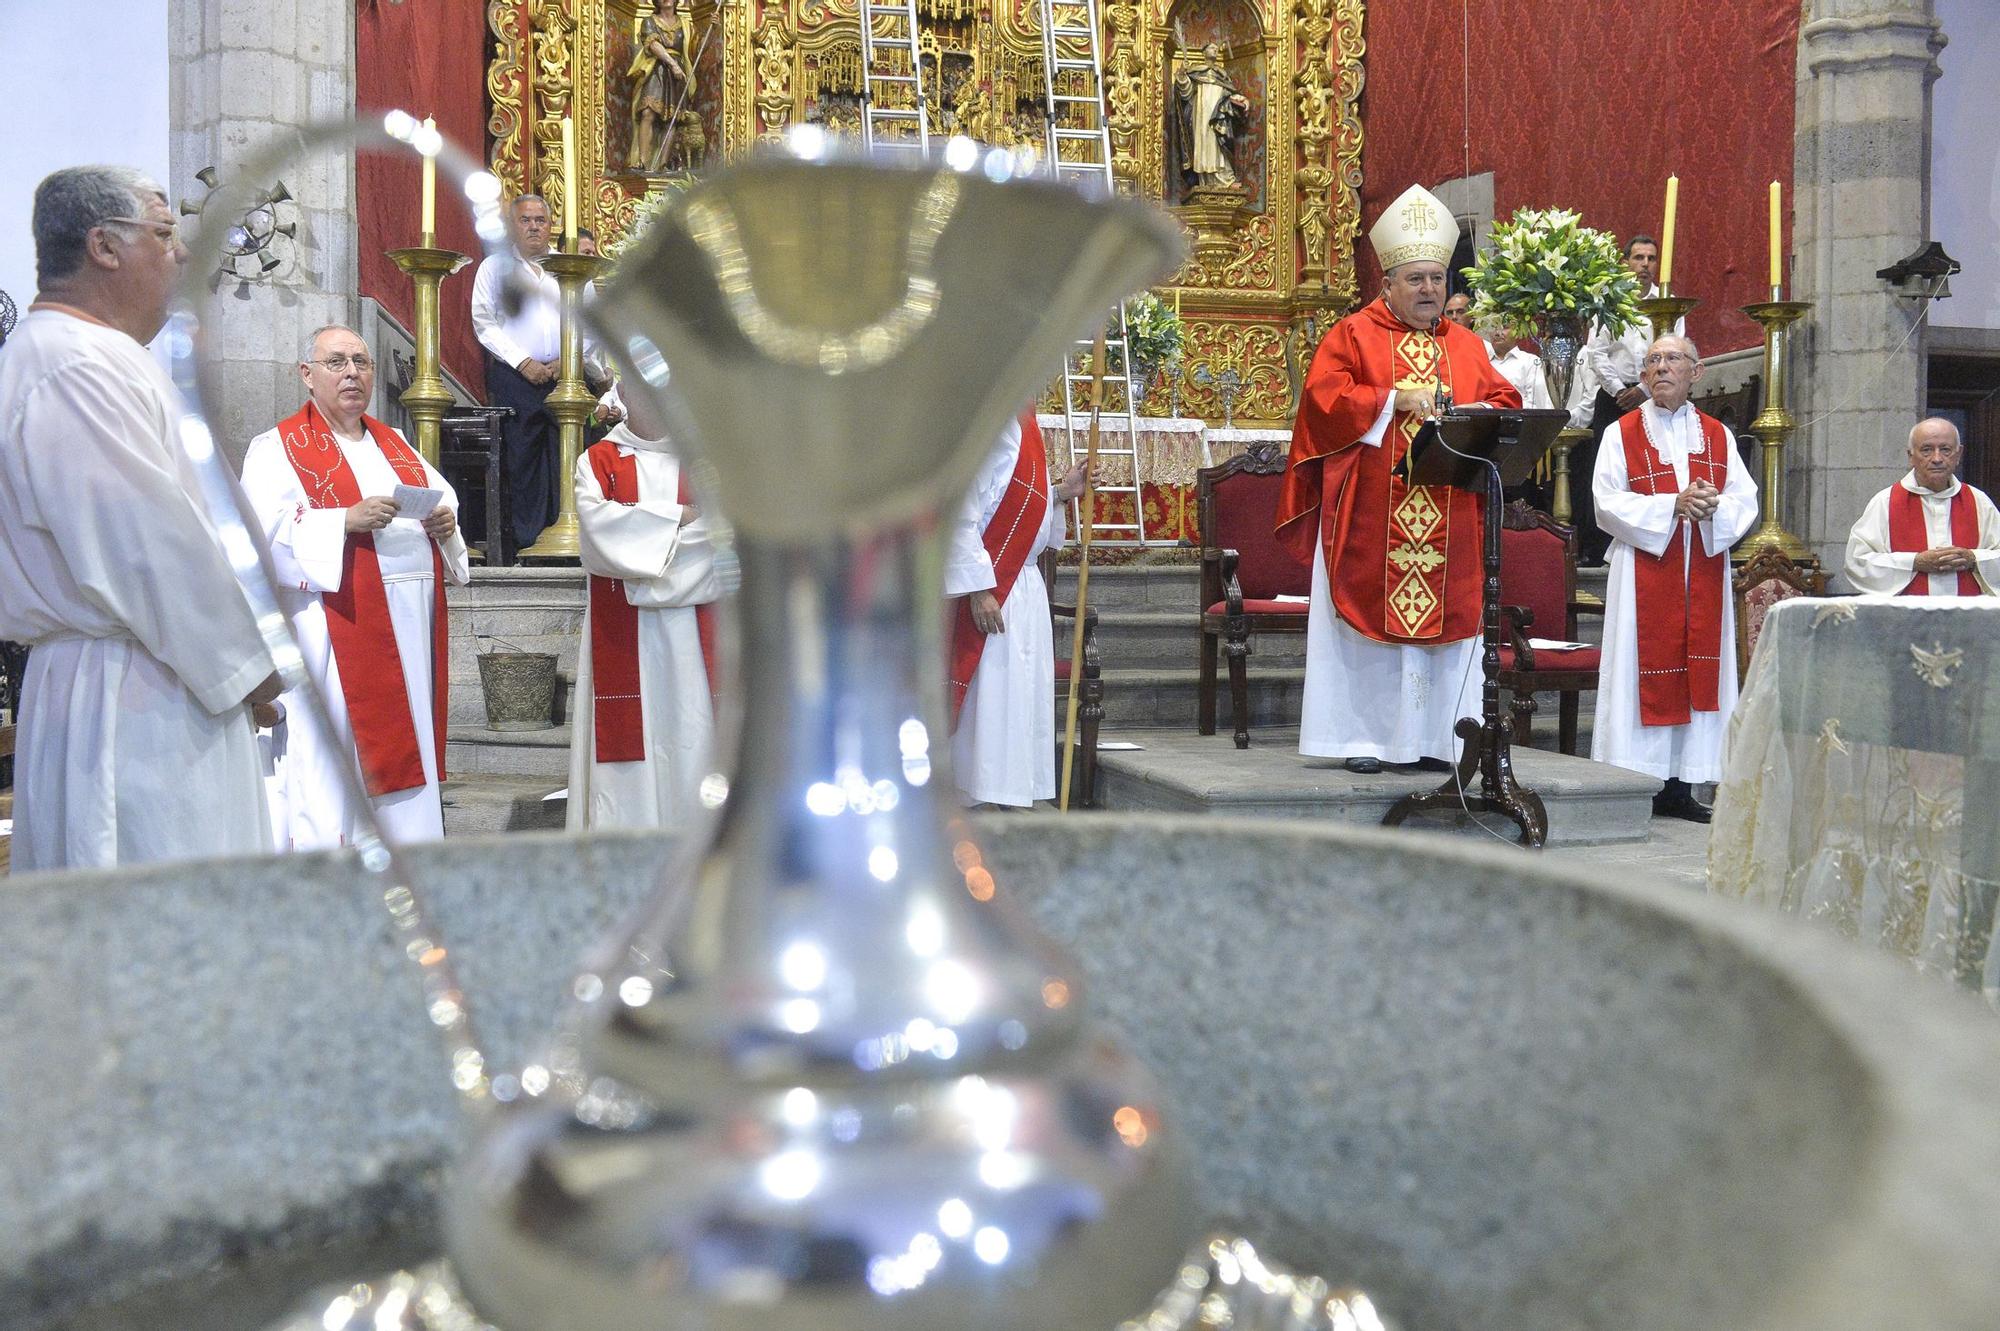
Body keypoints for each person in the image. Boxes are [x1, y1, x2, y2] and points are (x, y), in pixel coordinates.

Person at [0, 165, 279, 870]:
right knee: (166, 925)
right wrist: (251, 667)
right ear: (103, 245)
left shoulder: (97, 356)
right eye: (163, 233)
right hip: (132, 696)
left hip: (160, 671)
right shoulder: (72, 366)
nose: (180, 254)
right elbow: (147, 549)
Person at [1275, 183, 1523, 775]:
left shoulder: (1465, 343)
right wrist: (1392, 400)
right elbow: (1322, 400)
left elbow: (1503, 397)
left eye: (1438, 279)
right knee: (1366, 633)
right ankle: (1364, 739)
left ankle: (1443, 739)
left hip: (1450, 509)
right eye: (1416, 279)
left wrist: (1483, 414)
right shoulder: (1354, 334)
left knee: (1448, 628)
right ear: (1387, 284)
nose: (1430, 290)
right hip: (1372, 510)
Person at [239, 324, 469, 847]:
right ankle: (338, 869)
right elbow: (260, 533)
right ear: (307, 375)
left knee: (409, 747)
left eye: (361, 363)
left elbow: (442, 498)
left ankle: (412, 858)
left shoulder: (394, 443)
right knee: (339, 758)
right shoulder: (276, 448)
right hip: (336, 628)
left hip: (411, 624)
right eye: (336, 362)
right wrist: (342, 520)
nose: (351, 374)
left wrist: (446, 524)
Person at [1590, 334, 1757, 822]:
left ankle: (1682, 784)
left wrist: (1713, 508)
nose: (1661, 368)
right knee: (1640, 665)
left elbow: (1743, 499)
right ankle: (1636, 779)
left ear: (1696, 371)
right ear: (1642, 375)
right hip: (1646, 565)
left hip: (1701, 562)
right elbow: (1605, 502)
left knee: (1698, 672)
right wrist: (1672, 506)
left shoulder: (1718, 434)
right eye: (1653, 361)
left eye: (1673, 359)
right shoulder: (1619, 432)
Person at [567, 379, 721, 830]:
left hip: (694, 634)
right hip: (624, 634)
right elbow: (598, 536)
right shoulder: (596, 461)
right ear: (623, 394)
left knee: (694, 734)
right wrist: (679, 519)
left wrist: (642, 557)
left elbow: (724, 537)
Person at [945, 413, 1087, 808]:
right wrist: (979, 589)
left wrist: (1060, 493)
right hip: (993, 587)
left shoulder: (1024, 422)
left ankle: (1006, 794)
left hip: (1024, 587)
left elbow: (1015, 499)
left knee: (1018, 697)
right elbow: (961, 511)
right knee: (990, 697)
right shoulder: (991, 422)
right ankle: (976, 798)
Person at [469, 194, 610, 554]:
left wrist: (569, 357)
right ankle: (529, 540)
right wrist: (522, 361)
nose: (534, 226)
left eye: (540, 220)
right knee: (524, 455)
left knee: (568, 452)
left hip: (567, 374)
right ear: (513, 226)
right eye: (526, 220)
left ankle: (571, 534)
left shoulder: (571, 268)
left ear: (551, 226)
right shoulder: (495, 269)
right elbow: (484, 321)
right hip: (517, 376)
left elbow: (592, 323)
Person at [1572, 234, 1669, 564]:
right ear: (1625, 262)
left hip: (1653, 395)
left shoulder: (1667, 304)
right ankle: (1597, 545)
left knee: (1648, 463)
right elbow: (1596, 352)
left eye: (1651, 258)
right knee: (1606, 467)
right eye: (1638, 257)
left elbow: (1675, 346)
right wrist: (1619, 391)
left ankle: (1648, 536)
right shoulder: (1609, 303)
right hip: (1613, 397)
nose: (1644, 265)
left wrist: (1643, 390)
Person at [1843, 418, 2000, 596]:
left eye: (1946, 449)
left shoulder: (1978, 501)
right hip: (1907, 619)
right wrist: (1915, 562)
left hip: (1968, 617)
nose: (1937, 458)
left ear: (1958, 454)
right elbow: (1858, 561)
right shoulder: (1886, 501)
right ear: (1911, 456)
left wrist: (1974, 559)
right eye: (1927, 450)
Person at [1172, 42, 1251, 191]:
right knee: (1202, 142)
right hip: (1201, 114)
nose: (1215, 50)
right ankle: (1205, 181)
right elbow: (1185, 92)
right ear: (1203, 52)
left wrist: (1242, 99)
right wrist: (1182, 74)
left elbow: (1230, 93)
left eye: (1216, 48)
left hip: (1218, 114)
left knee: (1218, 143)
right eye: (1211, 48)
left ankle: (1225, 180)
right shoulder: (1196, 72)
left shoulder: (1221, 74)